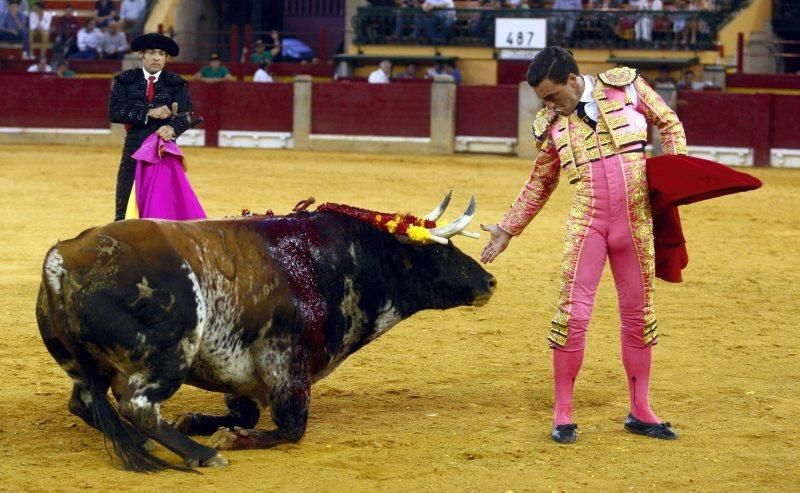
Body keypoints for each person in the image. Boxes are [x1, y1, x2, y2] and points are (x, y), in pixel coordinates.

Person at [480, 47, 686, 444]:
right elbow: (541, 181)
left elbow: (670, 124)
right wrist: (508, 229)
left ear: (574, 81)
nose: (548, 105)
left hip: (635, 222)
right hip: (587, 224)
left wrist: (676, 178)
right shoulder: (551, 124)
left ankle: (640, 411)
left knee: (639, 315)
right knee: (572, 315)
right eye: (543, 100)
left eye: (552, 96)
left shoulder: (626, 87)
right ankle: (563, 413)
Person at [108, 33, 194, 221]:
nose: (156, 57)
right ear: (142, 55)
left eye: (161, 54)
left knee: (163, 206)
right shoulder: (125, 80)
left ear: (166, 58)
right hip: (134, 148)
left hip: (164, 151)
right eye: (152, 53)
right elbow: (115, 112)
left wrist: (172, 128)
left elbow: (186, 116)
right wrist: (149, 111)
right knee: (126, 205)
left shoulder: (177, 83)